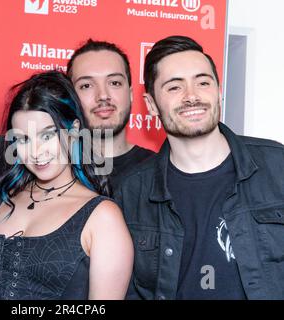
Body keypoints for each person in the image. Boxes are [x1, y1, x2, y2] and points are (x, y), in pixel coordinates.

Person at [115, 35, 284, 299]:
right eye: (174, 87)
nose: (192, 96)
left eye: (203, 82)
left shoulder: (277, 166)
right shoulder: (132, 192)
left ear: (218, 91)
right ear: (151, 105)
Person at [0, 71, 133, 300]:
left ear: (74, 130)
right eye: (23, 139)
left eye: (47, 136)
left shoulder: (102, 216)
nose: (36, 152)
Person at [66, 39, 154, 188]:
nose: (103, 95)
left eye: (114, 83)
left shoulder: (160, 170)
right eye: (86, 86)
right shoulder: (54, 171)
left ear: (131, 94)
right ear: (70, 97)